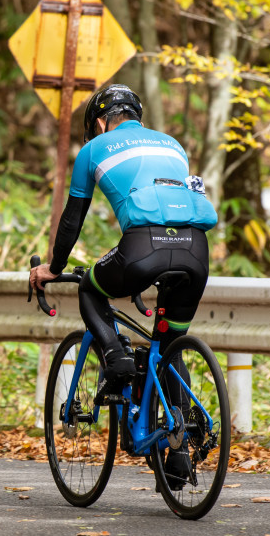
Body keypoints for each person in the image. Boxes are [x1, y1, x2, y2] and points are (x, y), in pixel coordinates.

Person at [28, 84, 217, 488]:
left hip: (143, 248)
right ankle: (179, 454)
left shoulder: (94, 149)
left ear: (99, 122)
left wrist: (53, 267)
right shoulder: (172, 144)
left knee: (90, 288)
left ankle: (116, 359)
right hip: (196, 252)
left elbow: (72, 218)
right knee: (168, 344)